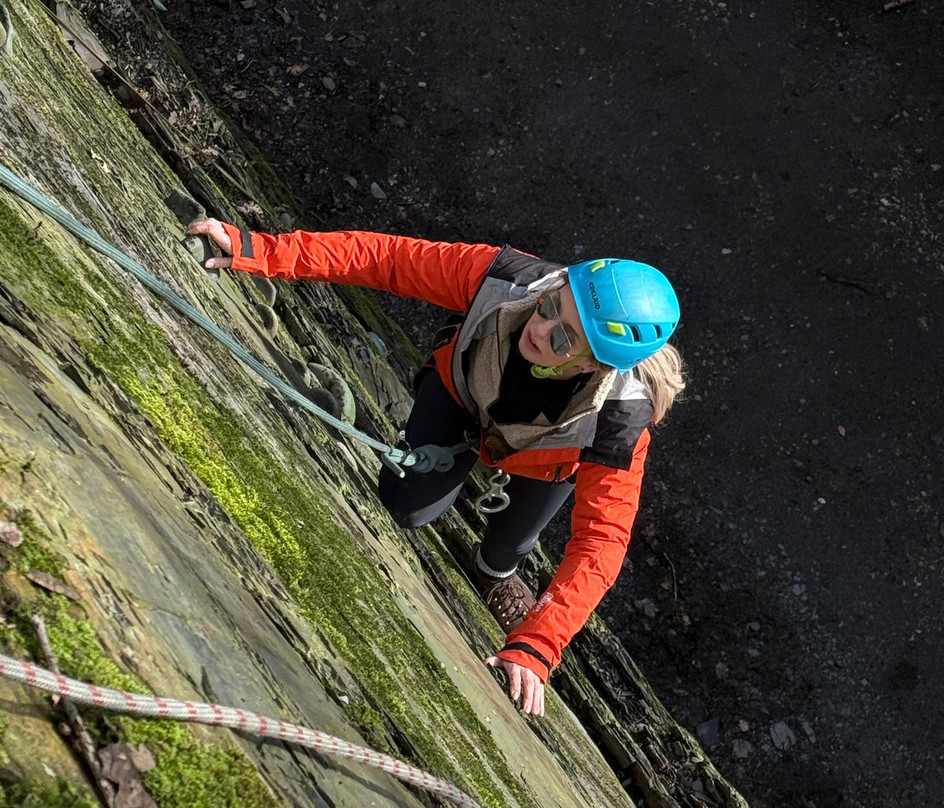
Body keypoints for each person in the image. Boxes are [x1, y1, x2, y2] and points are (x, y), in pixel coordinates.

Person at [187, 218, 685, 717]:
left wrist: (538, 645)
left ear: (594, 366)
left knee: (510, 544)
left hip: (545, 462)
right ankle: (480, 533)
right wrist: (263, 250)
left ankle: (496, 570)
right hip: (466, 395)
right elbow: (391, 259)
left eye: (563, 341)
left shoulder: (619, 423)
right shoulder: (506, 279)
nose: (540, 330)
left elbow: (601, 541)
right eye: (551, 307)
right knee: (406, 505)